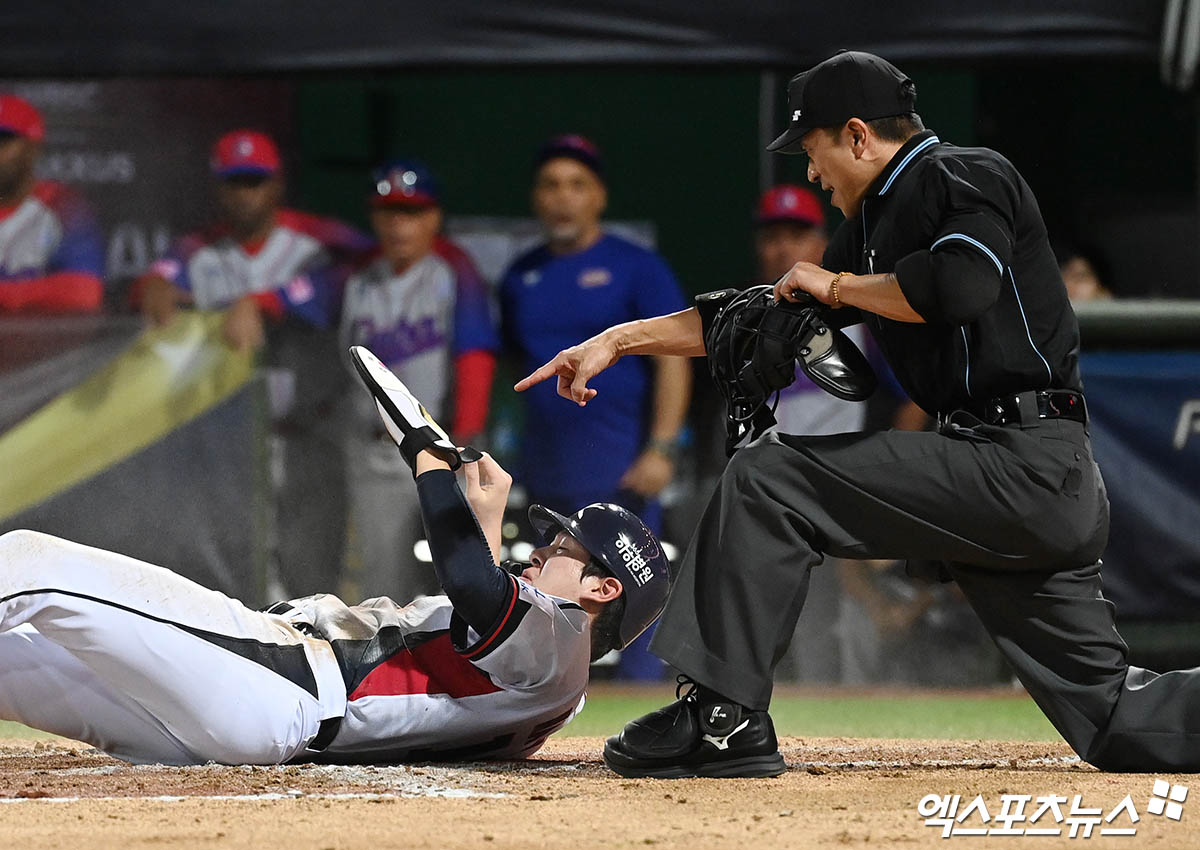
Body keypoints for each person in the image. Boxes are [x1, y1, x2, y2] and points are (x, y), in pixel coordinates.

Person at [518, 50, 1192, 777]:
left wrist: (837, 285)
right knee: (1118, 724)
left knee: (767, 478)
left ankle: (723, 717)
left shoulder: (963, 173)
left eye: (814, 153)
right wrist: (619, 340)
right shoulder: (872, 224)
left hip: (1022, 462)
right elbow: (759, 318)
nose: (812, 175)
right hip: (1006, 482)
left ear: (859, 136)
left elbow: (960, 285)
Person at [0, 346, 669, 766]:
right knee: (16, 660)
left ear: (603, 590)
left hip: (279, 683)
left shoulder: (561, 637)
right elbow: (480, 639)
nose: (546, 548)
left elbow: (476, 589)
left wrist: (428, 465)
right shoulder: (557, 677)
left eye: (563, 546)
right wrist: (482, 517)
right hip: (242, 720)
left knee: (34, 563)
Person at [134, 129, 374, 597]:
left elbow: (370, 266)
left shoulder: (315, 241)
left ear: (278, 184)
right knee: (242, 567)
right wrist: (152, 284)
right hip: (232, 442)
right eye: (235, 181)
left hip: (310, 431)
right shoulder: (197, 251)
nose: (245, 193)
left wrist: (268, 300)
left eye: (255, 180)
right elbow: (155, 284)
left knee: (314, 566)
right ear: (218, 188)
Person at [499, 134, 691, 680]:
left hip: (623, 468)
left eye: (577, 185)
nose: (563, 198)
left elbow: (675, 360)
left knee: (635, 600)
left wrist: (662, 445)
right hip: (547, 468)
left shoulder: (639, 268)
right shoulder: (520, 276)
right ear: (536, 198)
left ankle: (645, 706)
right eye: (551, 185)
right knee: (545, 599)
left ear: (599, 196)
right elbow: (510, 366)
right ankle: (535, 697)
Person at [340, 160, 499, 600]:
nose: (398, 225)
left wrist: (468, 440)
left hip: (439, 449)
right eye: (388, 212)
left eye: (411, 212)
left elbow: (475, 357)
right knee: (380, 583)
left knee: (455, 579)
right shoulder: (355, 281)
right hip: (372, 453)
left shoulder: (453, 276)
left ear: (433, 218)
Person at [0, 94, 104, 313]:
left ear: (32, 149)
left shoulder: (63, 206)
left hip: (39, 344)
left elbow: (84, 292)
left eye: (3, 141)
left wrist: (8, 295)